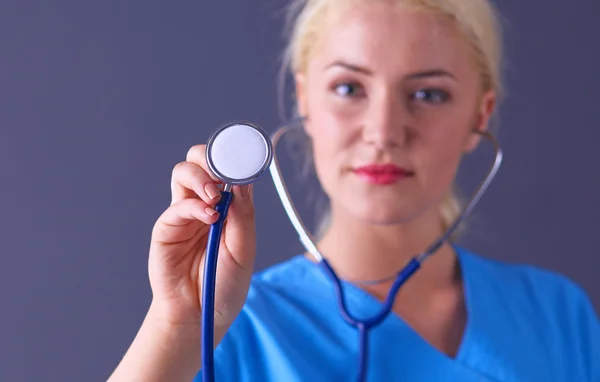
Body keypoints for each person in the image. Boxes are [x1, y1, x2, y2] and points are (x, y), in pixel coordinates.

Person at [108, 0, 599, 381]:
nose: (383, 131)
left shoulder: (557, 315)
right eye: (349, 88)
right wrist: (179, 328)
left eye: (428, 94)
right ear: (304, 98)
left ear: (480, 115)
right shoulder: (227, 327)